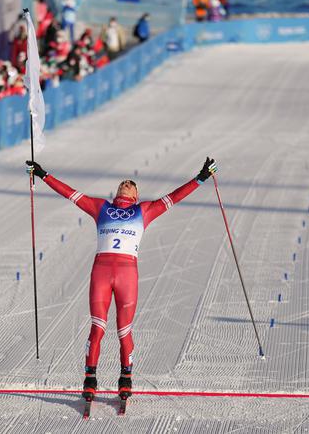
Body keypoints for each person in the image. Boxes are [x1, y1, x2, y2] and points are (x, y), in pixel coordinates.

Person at [25, 157, 218, 403]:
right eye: (123, 182)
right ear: (118, 191)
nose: (126, 183)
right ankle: (90, 379)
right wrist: (43, 175)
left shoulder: (144, 210)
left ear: (136, 195)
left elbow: (175, 196)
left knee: (124, 330)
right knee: (98, 328)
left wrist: (201, 178)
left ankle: (125, 378)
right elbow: (70, 193)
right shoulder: (99, 207)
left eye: (131, 183)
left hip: (127, 275)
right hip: (102, 273)